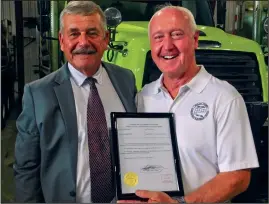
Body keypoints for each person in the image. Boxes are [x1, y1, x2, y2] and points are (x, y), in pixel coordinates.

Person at [124, 5, 259, 203]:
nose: (167, 46)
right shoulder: (143, 97)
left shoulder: (225, 98)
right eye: (158, 37)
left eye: (176, 35)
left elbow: (237, 177)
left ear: (195, 40)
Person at [14, 1, 136, 203]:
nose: (83, 42)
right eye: (74, 34)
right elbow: (26, 169)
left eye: (92, 33)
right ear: (62, 41)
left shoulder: (125, 80)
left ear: (106, 39)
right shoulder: (38, 94)